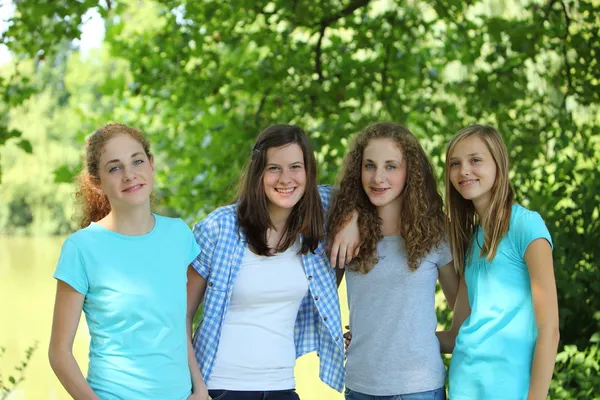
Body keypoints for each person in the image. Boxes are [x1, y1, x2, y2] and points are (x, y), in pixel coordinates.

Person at [187, 124, 358, 400]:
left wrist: (353, 221)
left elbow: (363, 196)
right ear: (258, 173)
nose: (285, 179)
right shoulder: (220, 227)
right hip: (221, 386)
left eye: (295, 167)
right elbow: (181, 315)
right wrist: (197, 388)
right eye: (273, 168)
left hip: (282, 387)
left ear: (307, 172)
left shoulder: (322, 212)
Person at [48, 124, 206, 400]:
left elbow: (178, 325)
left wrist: (200, 389)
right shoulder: (82, 248)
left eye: (137, 161)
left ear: (151, 164)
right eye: (114, 168)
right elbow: (59, 354)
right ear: (97, 182)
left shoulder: (179, 234)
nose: (130, 174)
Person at [327, 122, 459, 400]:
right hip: (359, 388)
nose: (378, 178)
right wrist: (350, 217)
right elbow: (318, 297)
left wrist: (420, 340)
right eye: (370, 166)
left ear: (410, 172)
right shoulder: (347, 234)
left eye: (391, 166)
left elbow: (464, 312)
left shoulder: (437, 233)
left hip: (419, 389)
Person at [438, 124, 559, 400]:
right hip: (463, 387)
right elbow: (457, 334)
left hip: (510, 389)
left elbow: (549, 331)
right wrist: (383, 336)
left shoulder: (527, 226)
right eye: (455, 163)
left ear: (499, 165)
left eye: (475, 160)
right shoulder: (472, 241)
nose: (463, 170)